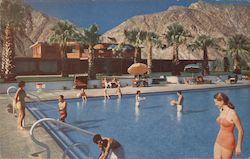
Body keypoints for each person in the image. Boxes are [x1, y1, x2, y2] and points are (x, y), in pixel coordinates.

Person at [213, 92, 243, 159]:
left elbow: (240, 130)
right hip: (218, 140)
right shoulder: (221, 110)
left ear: (222, 101)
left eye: (216, 102)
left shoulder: (232, 113)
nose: (215, 104)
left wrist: (238, 146)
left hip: (228, 142)